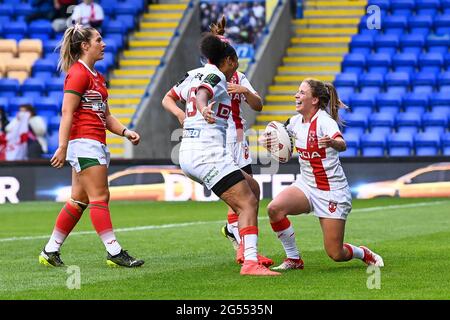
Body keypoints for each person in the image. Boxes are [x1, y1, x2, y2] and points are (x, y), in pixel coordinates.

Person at [162, 33, 279, 276]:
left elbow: (184, 94)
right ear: (228, 60)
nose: (236, 66)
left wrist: (189, 112)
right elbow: (203, 93)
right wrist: (204, 107)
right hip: (207, 153)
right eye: (234, 61)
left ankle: (249, 251)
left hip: (195, 150)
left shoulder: (195, 73)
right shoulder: (216, 75)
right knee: (246, 202)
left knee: (252, 189)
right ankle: (249, 263)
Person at [38, 24, 144, 268]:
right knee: (100, 196)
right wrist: (62, 146)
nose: (103, 43)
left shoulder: (96, 76)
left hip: (93, 141)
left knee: (79, 199)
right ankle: (114, 252)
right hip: (84, 143)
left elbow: (105, 117)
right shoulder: (78, 73)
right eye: (98, 40)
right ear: (85, 46)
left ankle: (50, 250)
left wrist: (126, 132)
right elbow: (67, 111)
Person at [260, 78, 384, 270]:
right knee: (274, 209)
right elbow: (277, 135)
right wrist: (267, 140)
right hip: (307, 185)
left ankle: (363, 252)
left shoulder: (325, 122)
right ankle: (294, 259)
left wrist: (333, 143)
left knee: (336, 253)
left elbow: (342, 143)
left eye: (301, 92)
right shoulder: (294, 122)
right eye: (297, 92)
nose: (296, 95)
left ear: (315, 100)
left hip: (331, 191)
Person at [208, 17, 268, 265]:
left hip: (239, 141)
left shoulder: (238, 78)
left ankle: (240, 241)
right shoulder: (207, 77)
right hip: (218, 141)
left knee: (249, 192)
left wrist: (245, 91)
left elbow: (259, 104)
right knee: (242, 195)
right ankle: (243, 246)